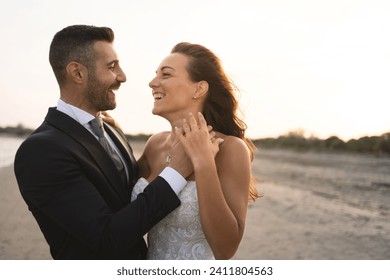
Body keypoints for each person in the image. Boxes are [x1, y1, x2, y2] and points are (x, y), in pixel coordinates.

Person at [13, 25, 204, 260]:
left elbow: (127, 192)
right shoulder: (41, 151)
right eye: (112, 67)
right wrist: (175, 172)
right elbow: (106, 239)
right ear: (78, 73)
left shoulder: (111, 132)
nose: (122, 76)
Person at [130, 42, 259, 260]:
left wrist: (203, 162)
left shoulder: (231, 149)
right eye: (155, 75)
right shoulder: (154, 145)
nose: (152, 83)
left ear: (198, 89)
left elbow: (225, 249)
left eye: (166, 75)